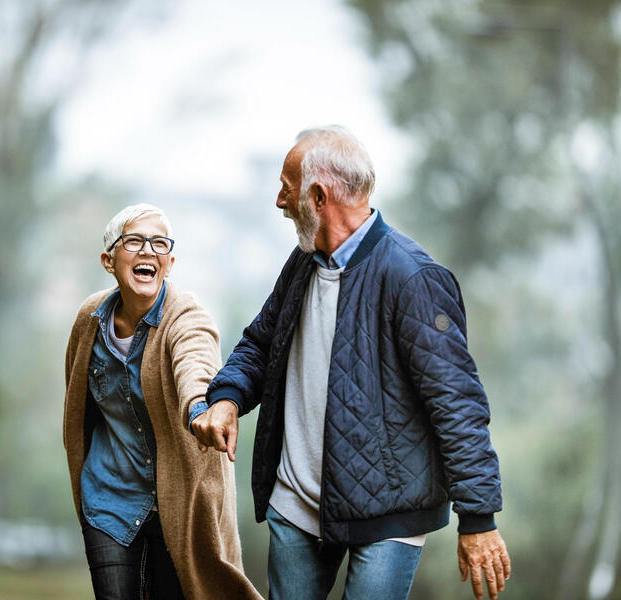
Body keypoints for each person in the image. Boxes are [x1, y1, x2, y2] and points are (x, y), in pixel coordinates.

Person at [191, 126, 511, 600]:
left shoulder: (413, 278)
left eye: (286, 187)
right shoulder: (302, 263)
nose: (279, 201)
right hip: (296, 506)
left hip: (389, 515)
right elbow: (261, 344)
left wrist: (478, 519)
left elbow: (457, 404)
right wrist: (227, 397)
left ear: (318, 196)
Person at [63, 203, 262, 600]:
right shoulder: (90, 320)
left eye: (158, 243)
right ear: (109, 260)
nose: (147, 251)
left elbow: (196, 365)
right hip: (108, 496)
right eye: (134, 241)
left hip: (178, 503)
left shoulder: (186, 316)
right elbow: (77, 401)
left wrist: (200, 410)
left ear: (169, 262)